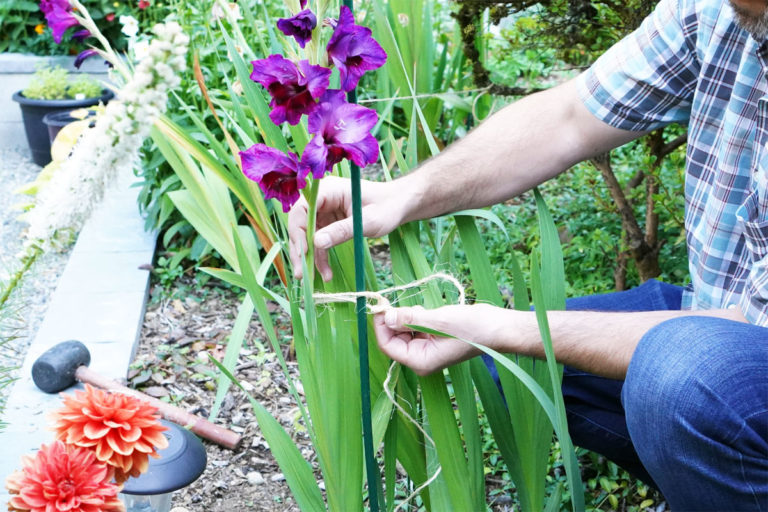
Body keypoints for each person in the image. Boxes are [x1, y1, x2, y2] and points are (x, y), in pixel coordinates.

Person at [287, 0, 768, 509]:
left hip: (739, 340)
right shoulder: (717, 9)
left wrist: (506, 326)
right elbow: (570, 118)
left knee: (681, 380)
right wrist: (405, 193)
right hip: (719, 311)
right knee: (505, 367)